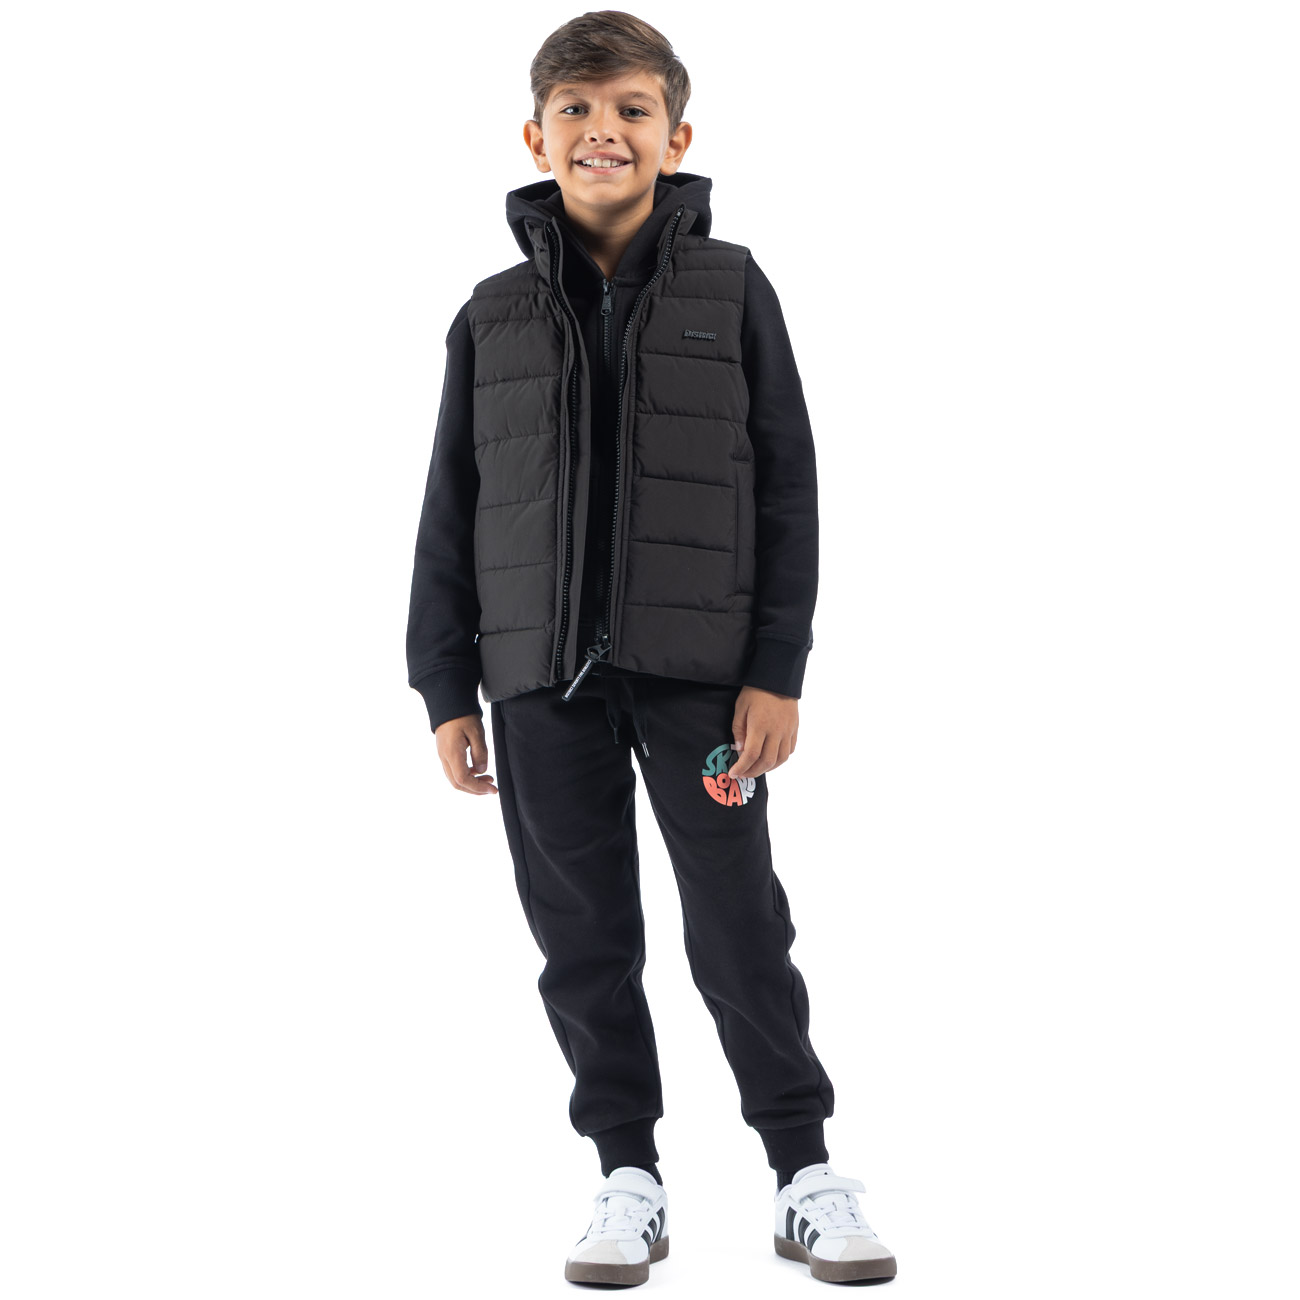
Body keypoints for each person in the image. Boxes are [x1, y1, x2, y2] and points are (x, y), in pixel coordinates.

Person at [405, 10, 896, 1287]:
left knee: (737, 923)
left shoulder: (732, 288)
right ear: (535, 138)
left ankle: (802, 1170)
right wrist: (444, 682)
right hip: (537, 679)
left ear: (676, 137)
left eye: (630, 109)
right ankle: (626, 1174)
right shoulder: (491, 315)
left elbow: (787, 484)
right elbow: (452, 505)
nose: (601, 131)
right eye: (574, 110)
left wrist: (776, 667)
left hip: (703, 680)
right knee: (581, 936)